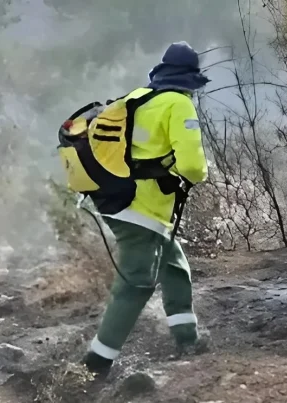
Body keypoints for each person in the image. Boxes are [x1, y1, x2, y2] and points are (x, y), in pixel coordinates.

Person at [82, 42, 211, 378]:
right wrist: (194, 175)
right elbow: (194, 167)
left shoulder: (138, 97)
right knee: (136, 283)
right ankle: (96, 362)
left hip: (115, 198)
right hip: (142, 206)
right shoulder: (178, 104)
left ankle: (187, 338)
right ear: (190, 80)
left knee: (173, 263)